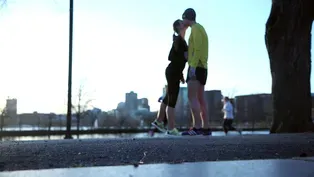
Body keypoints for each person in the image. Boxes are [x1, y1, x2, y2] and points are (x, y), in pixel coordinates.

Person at [151, 19, 188, 136]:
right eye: (182, 23)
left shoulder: (180, 41)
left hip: (173, 72)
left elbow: (178, 60)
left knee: (168, 97)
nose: (184, 24)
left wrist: (181, 75)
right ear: (178, 27)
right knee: (172, 100)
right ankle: (171, 128)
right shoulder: (179, 41)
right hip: (172, 72)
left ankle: (159, 121)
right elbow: (173, 58)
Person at [181, 8, 212, 136]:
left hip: (196, 66)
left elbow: (198, 49)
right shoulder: (201, 28)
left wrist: (192, 66)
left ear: (187, 18)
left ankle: (197, 127)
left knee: (191, 96)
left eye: (183, 19)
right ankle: (206, 128)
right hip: (203, 67)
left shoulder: (195, 29)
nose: (183, 21)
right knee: (200, 99)